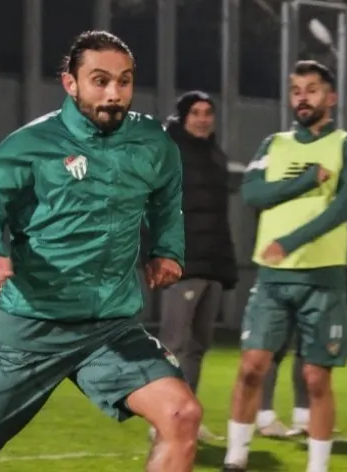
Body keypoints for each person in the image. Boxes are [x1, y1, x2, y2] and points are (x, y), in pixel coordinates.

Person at [0, 30, 201, 472]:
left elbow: (167, 197)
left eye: (124, 81)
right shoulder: (32, 144)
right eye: (100, 80)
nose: (114, 93)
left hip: (110, 327)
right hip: (32, 328)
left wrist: (167, 249)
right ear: (70, 83)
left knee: (182, 415)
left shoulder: (151, 140)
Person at [221, 60, 347, 472]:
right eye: (296, 90)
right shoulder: (273, 144)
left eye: (312, 90)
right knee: (251, 368)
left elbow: (341, 210)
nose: (302, 98)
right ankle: (235, 458)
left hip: (323, 279)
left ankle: (317, 467)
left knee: (316, 378)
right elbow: (252, 194)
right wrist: (306, 180)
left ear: (331, 98)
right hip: (272, 280)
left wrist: (289, 241)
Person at [152, 91, 239, 441]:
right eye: (196, 113)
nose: (203, 119)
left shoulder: (216, 155)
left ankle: (186, 415)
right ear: (183, 117)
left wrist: (226, 266)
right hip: (182, 263)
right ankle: (162, 420)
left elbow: (220, 219)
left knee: (198, 346)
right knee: (175, 344)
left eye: (208, 113)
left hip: (211, 264)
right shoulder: (167, 151)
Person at [255, 252, 347, 438]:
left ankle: (304, 415)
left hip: (323, 280)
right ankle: (265, 416)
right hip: (284, 277)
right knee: (274, 348)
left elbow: (340, 247)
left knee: (310, 350)